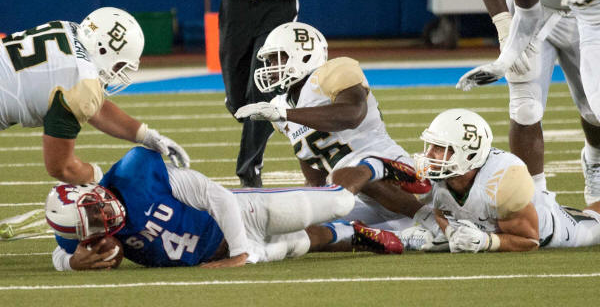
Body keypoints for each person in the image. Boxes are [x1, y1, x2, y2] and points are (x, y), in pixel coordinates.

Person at [45, 147, 404, 270]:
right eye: (94, 222)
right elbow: (60, 255)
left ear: (91, 190)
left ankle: (372, 166)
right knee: (304, 242)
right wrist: (72, 262)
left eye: (94, 208)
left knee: (340, 200)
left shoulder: (135, 174)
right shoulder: (79, 236)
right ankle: (354, 234)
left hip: (241, 214)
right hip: (212, 254)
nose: (103, 216)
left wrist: (240, 252)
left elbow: (217, 197)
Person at [235, 22, 437, 234]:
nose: (271, 67)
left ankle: (430, 219)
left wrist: (286, 114)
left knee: (352, 171)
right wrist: (308, 201)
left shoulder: (332, 71)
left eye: (279, 58)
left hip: (398, 181)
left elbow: (352, 114)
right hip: (359, 196)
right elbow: (313, 168)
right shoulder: (281, 105)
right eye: (269, 61)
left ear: (304, 55)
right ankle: (402, 236)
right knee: (298, 225)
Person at [457, 0, 600, 203]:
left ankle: (595, 161)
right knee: (524, 108)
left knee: (594, 110)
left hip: (590, 13)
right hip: (542, 11)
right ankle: (537, 200)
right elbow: (526, 10)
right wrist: (505, 57)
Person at [191, 0, 334, 187]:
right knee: (239, 101)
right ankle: (253, 107)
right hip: (236, 2)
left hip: (279, 2)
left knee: (265, 83)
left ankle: (249, 171)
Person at [0, 7, 189, 184]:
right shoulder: (81, 83)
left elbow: (94, 107)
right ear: (103, 49)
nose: (116, 71)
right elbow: (62, 167)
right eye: (119, 65)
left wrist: (146, 135)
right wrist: (97, 178)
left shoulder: (68, 28)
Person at [412, 108, 600, 252]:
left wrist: (486, 242)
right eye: (431, 146)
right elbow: (441, 211)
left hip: (554, 231)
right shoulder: (440, 175)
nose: (429, 155)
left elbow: (530, 240)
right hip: (500, 219)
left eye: (440, 148)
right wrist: (451, 233)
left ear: (468, 155)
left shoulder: (503, 180)